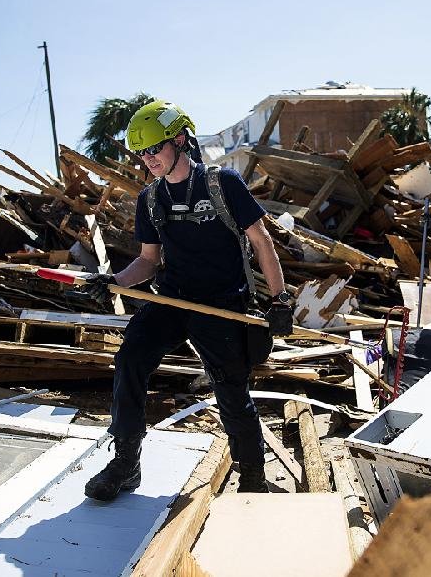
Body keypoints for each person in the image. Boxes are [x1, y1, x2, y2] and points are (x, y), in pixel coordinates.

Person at [81, 99, 293, 501]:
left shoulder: (222, 183)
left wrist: (280, 300)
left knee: (230, 389)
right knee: (131, 357)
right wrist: (113, 281)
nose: (149, 159)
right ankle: (126, 462)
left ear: (179, 140)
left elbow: (262, 242)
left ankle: (251, 477)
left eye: (155, 149)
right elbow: (147, 261)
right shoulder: (150, 198)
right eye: (142, 153)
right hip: (174, 299)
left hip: (222, 303)